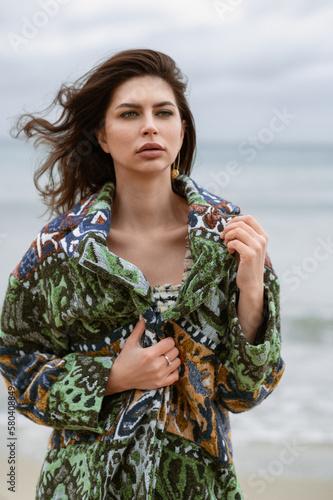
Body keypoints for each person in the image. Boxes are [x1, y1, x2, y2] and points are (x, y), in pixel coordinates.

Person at [0, 49, 285, 499]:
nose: (149, 125)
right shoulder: (60, 249)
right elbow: (14, 360)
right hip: (81, 487)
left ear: (181, 130)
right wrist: (112, 377)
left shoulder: (230, 241)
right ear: (104, 136)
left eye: (163, 112)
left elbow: (245, 393)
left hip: (198, 486)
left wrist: (250, 289)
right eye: (130, 114)